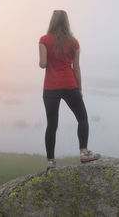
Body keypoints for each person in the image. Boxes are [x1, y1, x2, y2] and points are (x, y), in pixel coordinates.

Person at [39, 10, 100, 171]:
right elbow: (77, 68)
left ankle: (51, 162)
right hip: (69, 85)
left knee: (51, 125)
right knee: (82, 118)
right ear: (67, 22)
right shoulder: (74, 42)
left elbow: (43, 64)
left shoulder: (44, 40)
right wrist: (79, 89)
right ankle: (84, 153)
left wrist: (46, 58)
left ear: (52, 21)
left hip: (50, 87)